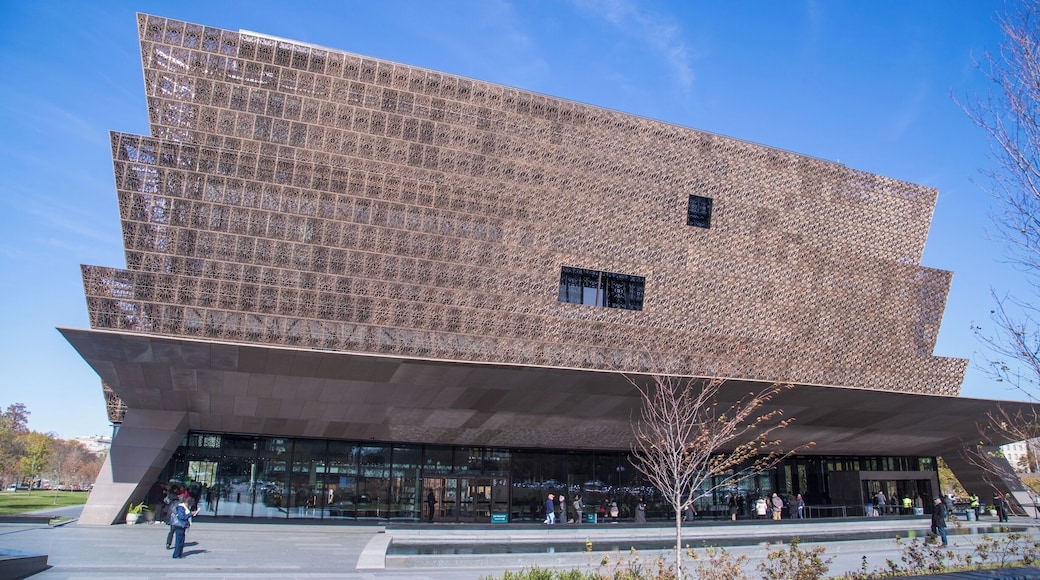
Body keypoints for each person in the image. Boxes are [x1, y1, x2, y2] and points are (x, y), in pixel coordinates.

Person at [170, 492, 198, 559]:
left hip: (183, 526)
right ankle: (176, 554)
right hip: (179, 525)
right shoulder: (181, 507)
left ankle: (179, 554)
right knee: (179, 540)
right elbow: (182, 517)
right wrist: (190, 514)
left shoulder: (184, 507)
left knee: (181, 540)